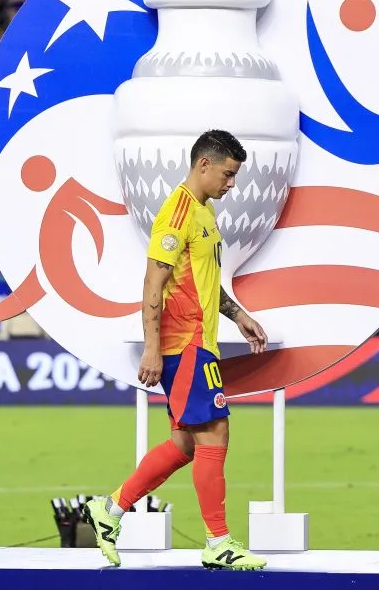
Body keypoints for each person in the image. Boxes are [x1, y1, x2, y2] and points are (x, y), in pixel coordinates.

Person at [83, 130, 268, 570]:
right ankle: (218, 542)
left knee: (185, 443)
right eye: (228, 174)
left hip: (198, 344)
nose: (231, 184)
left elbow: (203, 282)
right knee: (215, 433)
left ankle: (109, 510)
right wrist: (151, 348)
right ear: (204, 164)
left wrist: (237, 314)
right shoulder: (178, 211)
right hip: (184, 346)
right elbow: (154, 281)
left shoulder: (204, 212)